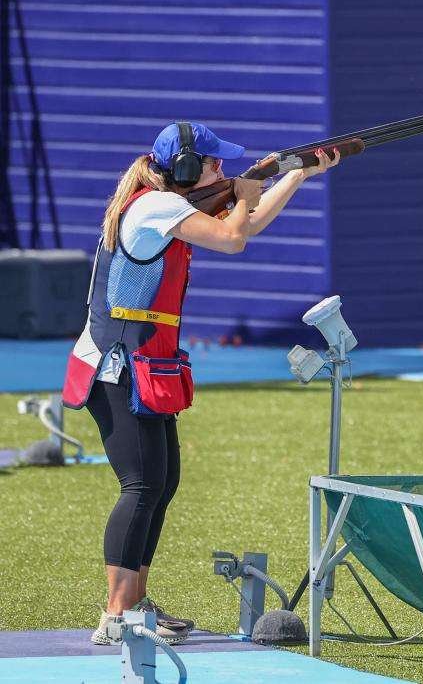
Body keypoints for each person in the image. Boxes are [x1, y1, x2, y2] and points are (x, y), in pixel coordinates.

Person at [62, 122, 339, 645]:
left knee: (160, 485)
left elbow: (247, 223)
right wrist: (247, 192)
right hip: (118, 366)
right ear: (188, 170)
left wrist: (297, 174)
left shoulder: (170, 203)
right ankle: (116, 613)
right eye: (214, 165)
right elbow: (236, 237)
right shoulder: (156, 207)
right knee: (141, 486)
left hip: (143, 363)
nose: (223, 171)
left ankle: (135, 601)